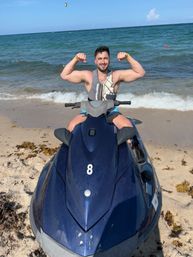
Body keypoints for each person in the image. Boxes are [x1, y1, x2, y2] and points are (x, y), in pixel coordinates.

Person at [60, 46, 145, 133]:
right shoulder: (88, 75)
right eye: (99, 58)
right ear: (95, 61)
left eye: (105, 58)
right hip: (89, 111)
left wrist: (128, 57)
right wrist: (76, 59)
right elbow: (64, 75)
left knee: (128, 129)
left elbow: (140, 73)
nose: (103, 61)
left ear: (109, 60)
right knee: (71, 128)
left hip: (110, 112)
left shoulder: (116, 75)